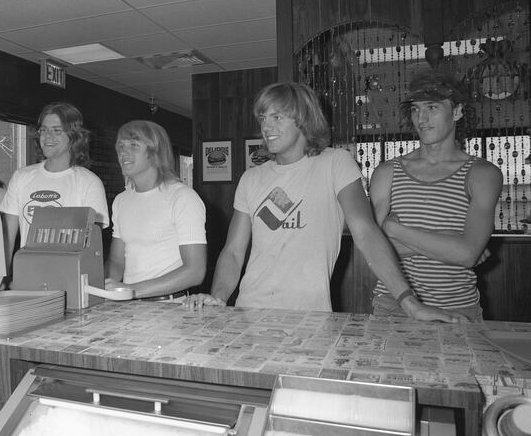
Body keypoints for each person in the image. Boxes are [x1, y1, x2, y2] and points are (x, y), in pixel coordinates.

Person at [184, 82, 458, 323]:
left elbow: (366, 233)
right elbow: (233, 252)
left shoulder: (335, 163)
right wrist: (218, 297)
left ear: (303, 119)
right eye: (263, 117)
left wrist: (409, 303)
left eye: (277, 116)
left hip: (310, 317)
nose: (266, 126)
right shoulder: (251, 178)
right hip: (250, 311)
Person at [369, 72, 502, 320]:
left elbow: (466, 255)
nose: (422, 118)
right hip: (392, 306)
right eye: (416, 109)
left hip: (457, 310)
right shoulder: (387, 172)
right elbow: (370, 248)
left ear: (458, 112)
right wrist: (451, 242)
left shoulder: (483, 174)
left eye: (432, 107)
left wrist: (392, 229)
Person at [0, 102, 109, 269]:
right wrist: (1, 277)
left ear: (74, 136)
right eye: (43, 130)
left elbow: (93, 248)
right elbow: (7, 237)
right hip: (27, 274)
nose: (47, 136)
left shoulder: (89, 182)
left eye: (57, 131)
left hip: (68, 276)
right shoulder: (21, 177)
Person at [106, 120, 206, 299]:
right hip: (128, 306)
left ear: (155, 153)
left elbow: (195, 271)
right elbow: (116, 261)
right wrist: (103, 288)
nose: (123, 152)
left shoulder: (183, 197)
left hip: (170, 308)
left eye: (134, 145)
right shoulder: (121, 200)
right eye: (120, 145)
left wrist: (131, 290)